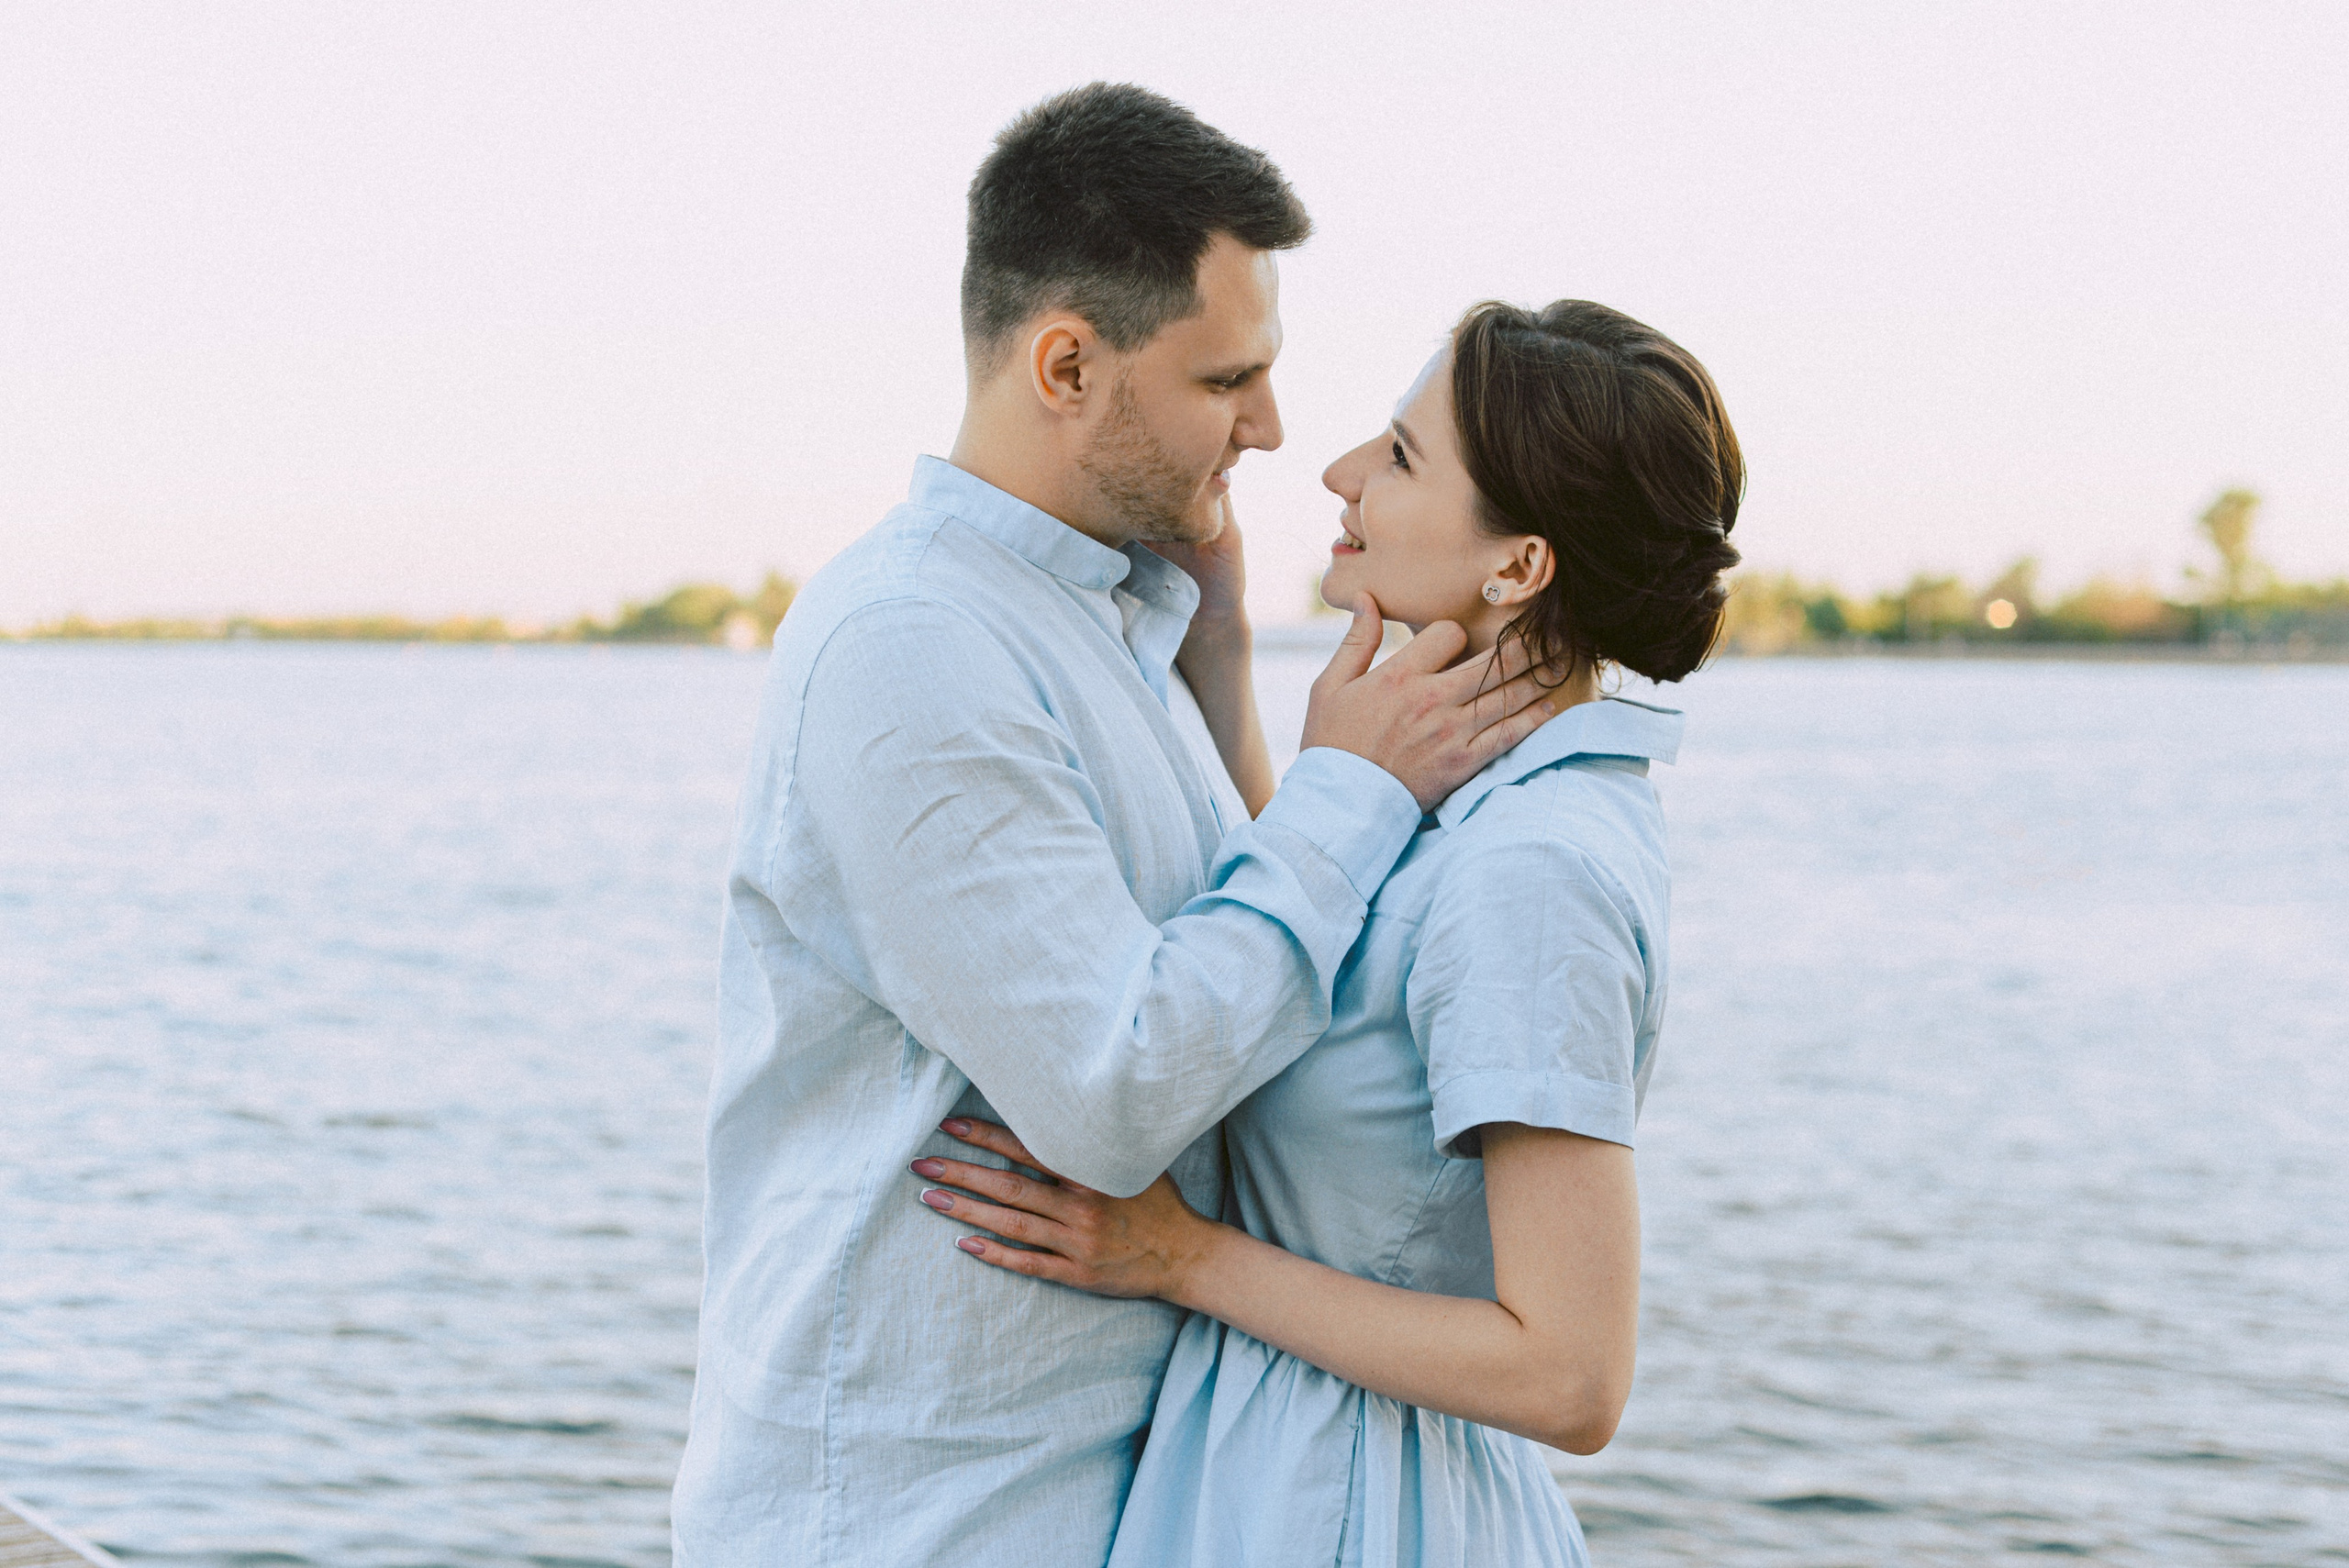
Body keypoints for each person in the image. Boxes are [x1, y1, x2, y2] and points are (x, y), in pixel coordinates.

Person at [671, 86, 1562, 1568]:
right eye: (1230, 378)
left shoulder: (1109, 630)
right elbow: (1113, 1088)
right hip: (920, 1521)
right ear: (1067, 364)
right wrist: (1359, 788)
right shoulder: (916, 646)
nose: (1275, 429)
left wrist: (1223, 684)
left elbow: (1252, 1009)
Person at [908, 298, 1744, 1566]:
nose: (1341, 470)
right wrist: (1223, 651)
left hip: (1362, 1502)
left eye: (1402, 457)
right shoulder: (1481, 806)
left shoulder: (1534, 868)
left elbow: (1573, 1373)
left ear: (1518, 567)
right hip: (1288, 1465)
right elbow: (1335, 984)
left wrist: (1184, 1258)